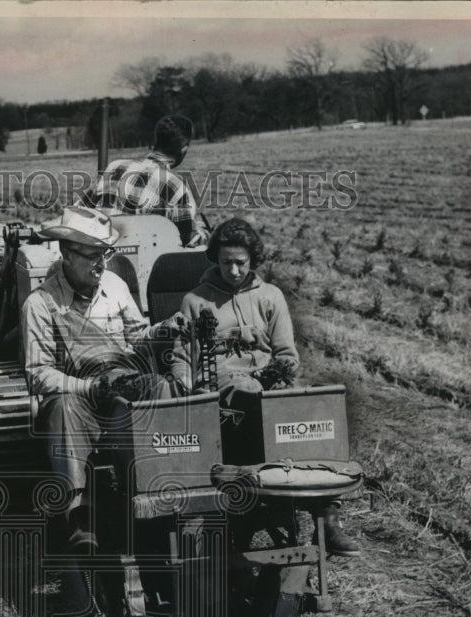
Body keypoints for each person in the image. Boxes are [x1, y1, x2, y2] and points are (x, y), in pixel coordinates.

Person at [170, 217, 360, 557]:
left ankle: (328, 515)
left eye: (241, 262)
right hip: (223, 385)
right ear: (215, 258)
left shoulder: (270, 297)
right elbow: (184, 354)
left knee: (319, 408)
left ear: (252, 260)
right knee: (248, 396)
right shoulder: (195, 301)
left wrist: (275, 376)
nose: (233, 269)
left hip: (268, 380)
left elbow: (287, 355)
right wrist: (184, 382)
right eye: (226, 261)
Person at [21, 206, 186, 554]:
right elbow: (37, 374)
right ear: (67, 254)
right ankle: (80, 513)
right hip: (80, 397)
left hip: (121, 384)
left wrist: (165, 329)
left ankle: (170, 486)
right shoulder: (40, 304)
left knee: (163, 388)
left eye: (105, 255)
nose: (101, 264)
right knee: (62, 407)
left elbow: (138, 337)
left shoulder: (114, 285)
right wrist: (88, 387)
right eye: (92, 256)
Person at [83, 115, 209, 248]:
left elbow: (82, 210)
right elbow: (190, 241)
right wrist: (205, 233)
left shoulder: (114, 167)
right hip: (145, 261)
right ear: (183, 150)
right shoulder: (176, 188)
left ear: (156, 141)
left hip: (101, 255)